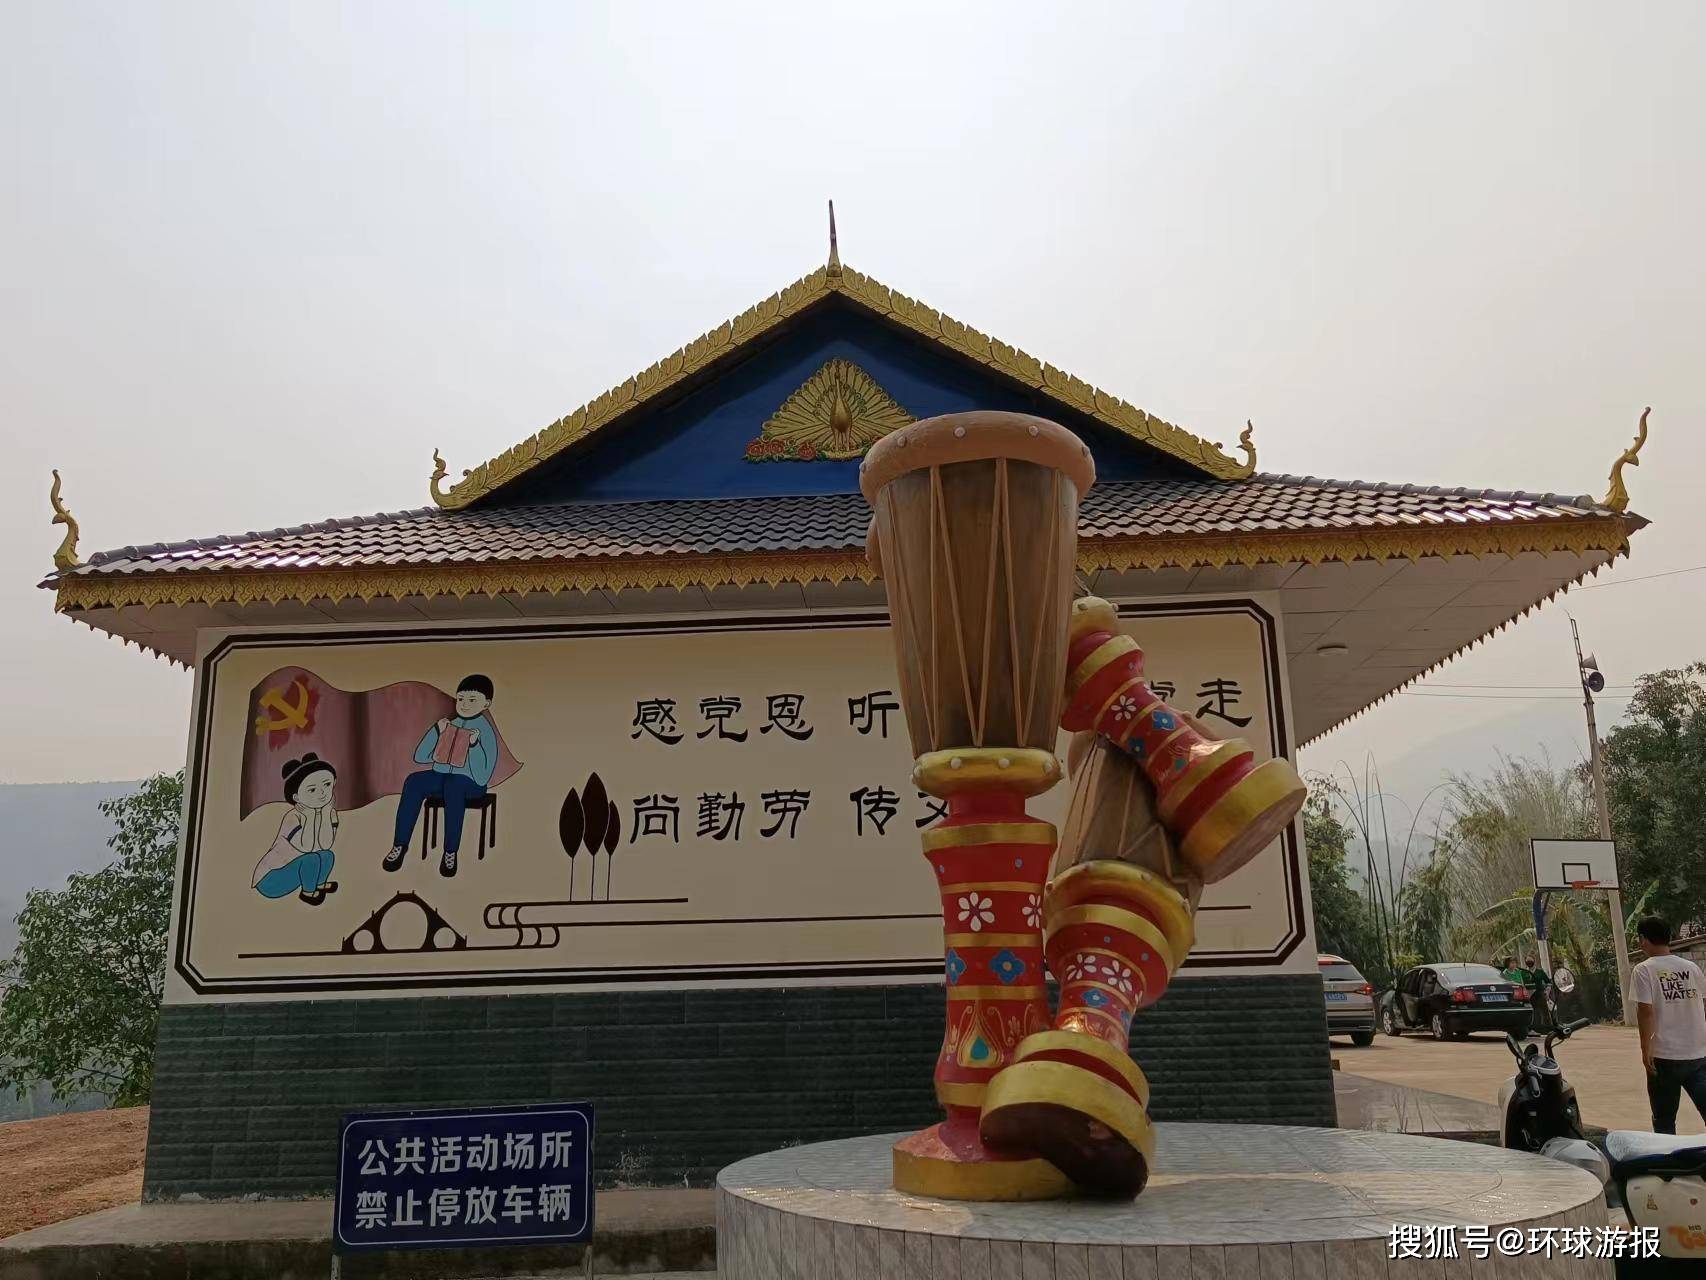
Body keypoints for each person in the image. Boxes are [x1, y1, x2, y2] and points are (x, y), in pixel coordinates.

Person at [382, 674, 498, 878]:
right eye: (461, 699)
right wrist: (436, 731)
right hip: (442, 776)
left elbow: (482, 776)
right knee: (414, 781)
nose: (465, 704)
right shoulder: (450, 724)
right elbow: (420, 756)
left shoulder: (485, 731)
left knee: (454, 785)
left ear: (486, 703)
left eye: (472, 700)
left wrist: (474, 746)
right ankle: (400, 845)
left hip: (471, 784)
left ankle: (450, 851)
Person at [1631, 915, 1706, 1134]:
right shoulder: (1691, 968)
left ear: (1643, 940)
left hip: (1664, 1057)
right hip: (1698, 1053)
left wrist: (1645, 1048)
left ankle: (1668, 1155)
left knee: (1664, 1120)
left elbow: (1645, 1012)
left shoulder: (1643, 970)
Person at [252, 753, 339, 905]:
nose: (322, 793)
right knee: (311, 858)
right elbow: (305, 847)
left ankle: (319, 884)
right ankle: (308, 892)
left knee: (327, 855)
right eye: (312, 790)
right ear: (297, 797)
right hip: (271, 879)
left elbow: (326, 845)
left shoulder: (329, 813)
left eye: (327, 784)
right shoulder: (294, 816)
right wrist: (309, 816)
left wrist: (325, 813)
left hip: (298, 870)